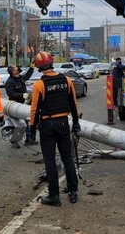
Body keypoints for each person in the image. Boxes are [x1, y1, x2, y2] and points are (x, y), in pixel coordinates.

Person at [29, 51, 81, 206]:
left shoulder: (39, 84)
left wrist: (32, 129)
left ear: (39, 68)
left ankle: (54, 196)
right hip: (64, 123)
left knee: (50, 160)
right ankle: (73, 192)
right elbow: (73, 103)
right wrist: (76, 122)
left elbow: (34, 109)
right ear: (51, 63)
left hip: (47, 125)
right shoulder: (66, 80)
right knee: (67, 157)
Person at [4, 64, 34, 145]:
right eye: (15, 69)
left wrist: (31, 68)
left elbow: (27, 75)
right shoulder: (10, 82)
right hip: (15, 106)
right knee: (19, 124)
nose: (17, 69)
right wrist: (22, 95)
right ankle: (14, 141)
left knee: (27, 122)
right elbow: (11, 94)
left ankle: (28, 139)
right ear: (12, 72)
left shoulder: (20, 78)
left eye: (17, 68)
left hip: (24, 104)